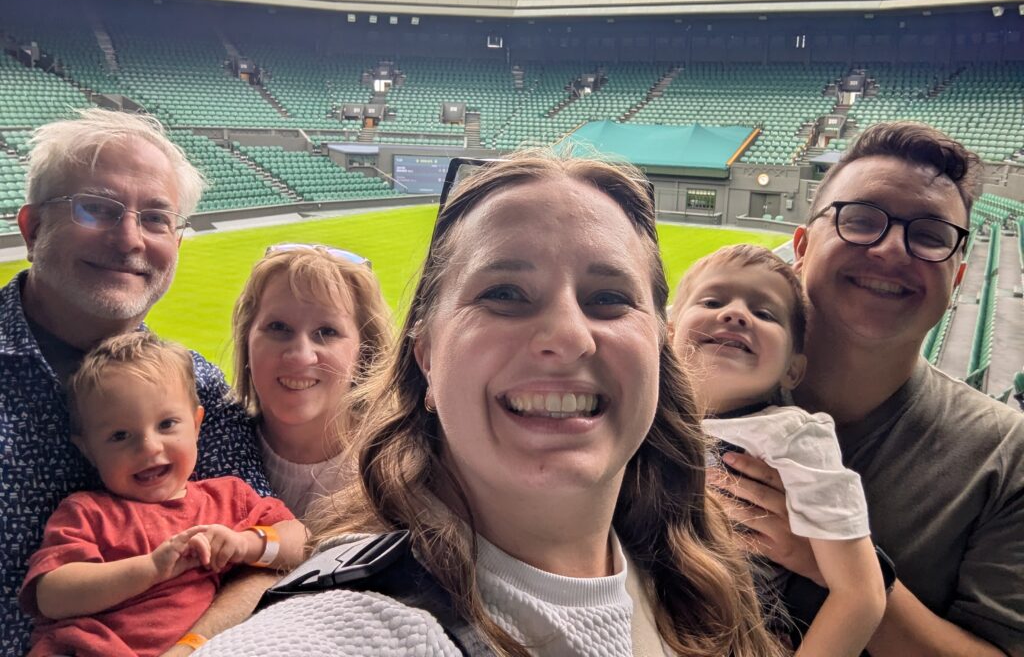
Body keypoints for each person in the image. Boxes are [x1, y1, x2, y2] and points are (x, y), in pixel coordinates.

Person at [197, 151, 786, 656]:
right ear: (426, 354)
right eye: (504, 294)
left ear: (659, 349)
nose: (567, 335)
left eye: (608, 298)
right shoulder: (357, 626)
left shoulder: (695, 579)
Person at [713, 123, 1024, 656]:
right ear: (803, 246)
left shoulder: (1007, 454)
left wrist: (830, 557)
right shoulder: (678, 393)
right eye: (860, 221)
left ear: (958, 277)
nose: (892, 249)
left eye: (929, 236)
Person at [0, 108, 271, 656]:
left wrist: (192, 644)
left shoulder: (201, 389)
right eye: (96, 208)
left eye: (155, 218)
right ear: (32, 229)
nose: (130, 240)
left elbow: (260, 564)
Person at [20, 332, 306, 657]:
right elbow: (52, 596)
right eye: (119, 436)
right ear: (88, 451)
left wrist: (247, 544)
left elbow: (304, 543)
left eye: (167, 424)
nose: (149, 448)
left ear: (197, 425)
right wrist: (151, 568)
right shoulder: (87, 511)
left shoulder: (228, 498)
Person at [671, 243, 885, 656]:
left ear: (793, 370)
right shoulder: (639, 416)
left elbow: (862, 594)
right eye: (713, 301)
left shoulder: (795, 438)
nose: (735, 314)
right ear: (668, 334)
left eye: (764, 313)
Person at [231, 244, 392, 517]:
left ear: (364, 354)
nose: (300, 356)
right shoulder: (206, 450)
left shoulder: (398, 475)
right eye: (278, 327)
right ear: (247, 341)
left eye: (326, 332)